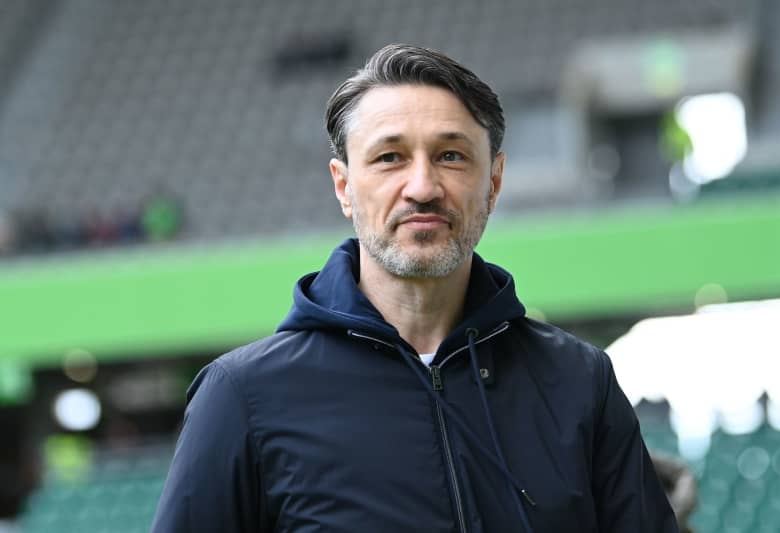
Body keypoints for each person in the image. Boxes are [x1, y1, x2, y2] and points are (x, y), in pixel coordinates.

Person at [151, 44, 678, 533]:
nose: (423, 187)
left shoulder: (579, 381)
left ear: (492, 183)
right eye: (389, 158)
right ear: (344, 186)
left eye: (451, 156)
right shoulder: (243, 397)